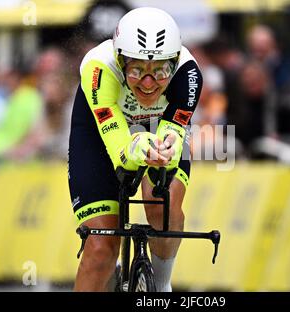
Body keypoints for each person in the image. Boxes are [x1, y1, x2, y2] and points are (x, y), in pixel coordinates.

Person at [68, 7, 203, 292]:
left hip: (157, 126)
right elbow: (119, 147)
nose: (149, 83)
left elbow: (174, 134)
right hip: (100, 132)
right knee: (100, 249)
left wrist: (164, 151)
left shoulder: (189, 74)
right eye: (137, 69)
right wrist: (134, 147)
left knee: (161, 201)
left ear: (174, 62)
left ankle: (162, 286)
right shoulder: (98, 68)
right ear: (121, 61)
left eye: (161, 71)